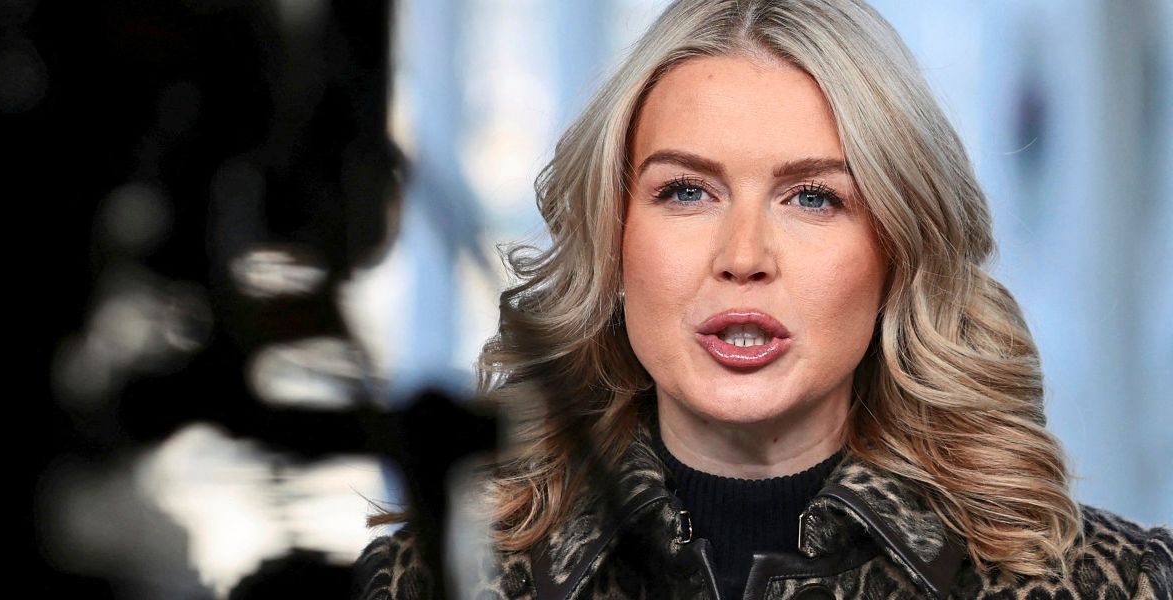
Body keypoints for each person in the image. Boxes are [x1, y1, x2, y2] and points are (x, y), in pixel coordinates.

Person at [353, 1, 1173, 599]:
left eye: (813, 198)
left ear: (898, 248)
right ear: (614, 239)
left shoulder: (1117, 585)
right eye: (686, 192)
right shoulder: (425, 582)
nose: (743, 258)